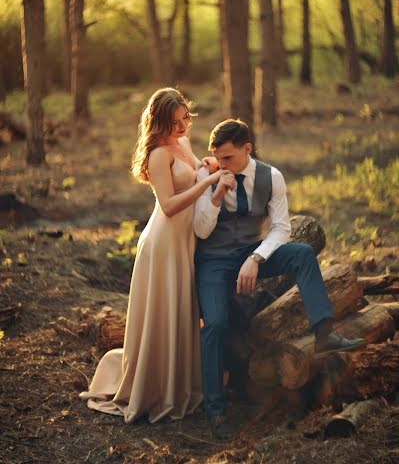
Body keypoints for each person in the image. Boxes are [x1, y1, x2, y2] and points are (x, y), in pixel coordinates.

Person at [194, 119, 363, 440]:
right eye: (217, 156)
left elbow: (282, 228)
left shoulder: (271, 177)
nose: (222, 163)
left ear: (247, 149)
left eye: (228, 158)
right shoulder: (207, 173)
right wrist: (216, 193)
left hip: (249, 251)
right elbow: (200, 230)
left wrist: (256, 259)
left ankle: (324, 331)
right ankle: (215, 410)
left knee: (300, 253)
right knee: (214, 323)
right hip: (213, 261)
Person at [80, 88, 232, 423]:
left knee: (182, 310)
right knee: (164, 310)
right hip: (162, 242)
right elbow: (169, 205)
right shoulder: (158, 155)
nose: (182, 127)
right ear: (159, 122)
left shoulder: (183, 143)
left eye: (185, 119)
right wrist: (206, 185)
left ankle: (180, 382)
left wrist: (207, 166)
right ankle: (156, 386)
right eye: (175, 122)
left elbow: (195, 169)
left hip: (185, 242)